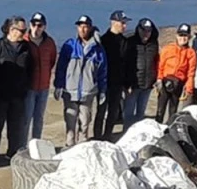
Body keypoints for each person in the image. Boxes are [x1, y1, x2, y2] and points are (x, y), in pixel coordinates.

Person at [0, 16, 32, 162]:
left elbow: (31, 70)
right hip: (0, 96)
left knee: (15, 127)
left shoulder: (27, 48)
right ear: (11, 29)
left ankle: (12, 154)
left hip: (18, 96)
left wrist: (24, 87)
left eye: (25, 30)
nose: (24, 33)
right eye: (21, 30)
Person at [55, 15, 108, 147]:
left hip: (88, 92)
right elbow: (61, 67)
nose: (83, 29)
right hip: (70, 91)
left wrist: (102, 90)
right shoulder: (70, 45)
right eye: (80, 26)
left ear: (90, 28)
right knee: (70, 120)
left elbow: (102, 71)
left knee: (85, 121)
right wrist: (59, 85)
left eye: (85, 27)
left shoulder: (97, 49)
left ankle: (82, 145)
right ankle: (69, 145)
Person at [96, 10, 134, 138]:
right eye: (122, 23)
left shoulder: (125, 42)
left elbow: (128, 64)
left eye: (125, 23)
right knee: (101, 111)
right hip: (104, 83)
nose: (125, 26)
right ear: (113, 22)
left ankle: (107, 135)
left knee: (114, 111)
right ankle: (97, 136)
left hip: (118, 83)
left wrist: (127, 84)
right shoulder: (103, 40)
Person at [23, 12, 56, 143]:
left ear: (44, 27)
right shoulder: (24, 41)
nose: (36, 28)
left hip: (44, 87)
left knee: (39, 118)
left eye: (40, 25)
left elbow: (52, 61)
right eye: (34, 24)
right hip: (28, 87)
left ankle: (36, 143)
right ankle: (23, 145)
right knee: (26, 118)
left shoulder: (49, 42)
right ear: (30, 25)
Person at [157, 24, 197, 124]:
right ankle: (157, 126)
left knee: (173, 109)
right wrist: (159, 79)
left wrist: (189, 88)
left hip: (178, 83)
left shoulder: (191, 53)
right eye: (180, 35)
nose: (182, 38)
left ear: (189, 37)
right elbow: (160, 65)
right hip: (165, 82)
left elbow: (191, 72)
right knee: (160, 109)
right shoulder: (168, 49)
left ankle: (170, 128)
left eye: (185, 36)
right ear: (176, 35)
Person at [127, 17, 160, 127]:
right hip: (133, 84)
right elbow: (126, 64)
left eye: (149, 31)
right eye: (144, 30)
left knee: (141, 113)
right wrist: (127, 83)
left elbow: (156, 61)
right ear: (139, 30)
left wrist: (156, 78)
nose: (146, 33)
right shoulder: (131, 42)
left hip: (148, 84)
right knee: (128, 113)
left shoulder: (154, 44)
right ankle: (126, 133)